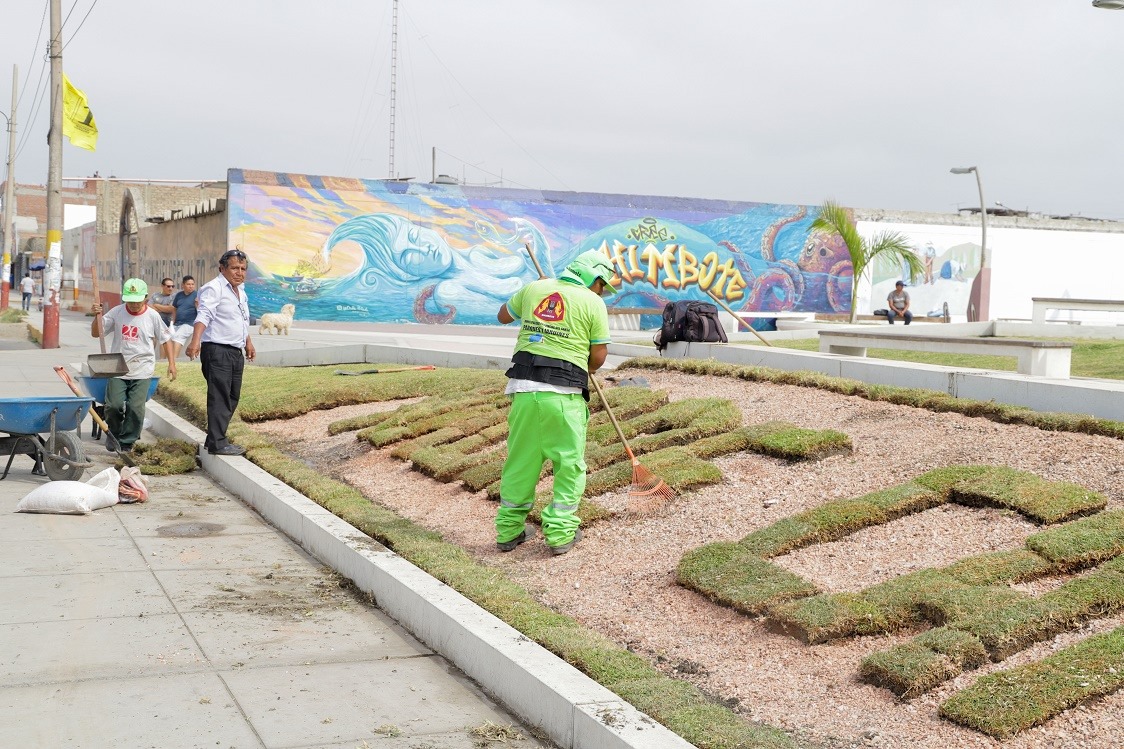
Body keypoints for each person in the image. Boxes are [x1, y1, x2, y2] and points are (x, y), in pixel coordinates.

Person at [494, 249, 615, 556]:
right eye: (603, 285)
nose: (604, 292)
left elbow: (503, 315)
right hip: (563, 396)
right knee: (569, 465)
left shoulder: (536, 289)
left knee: (520, 462)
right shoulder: (593, 302)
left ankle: (508, 531)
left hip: (523, 392)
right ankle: (560, 534)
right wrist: (584, 364)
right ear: (593, 278)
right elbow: (598, 356)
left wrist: (533, 295)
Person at [91, 278, 177, 451]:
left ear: (145, 298)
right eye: (130, 300)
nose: (134, 305)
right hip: (119, 367)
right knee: (113, 405)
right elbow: (96, 333)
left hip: (142, 367)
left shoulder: (152, 315)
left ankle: (127, 442)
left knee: (135, 408)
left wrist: (172, 364)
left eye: (138, 301)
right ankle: (113, 434)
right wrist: (96, 316)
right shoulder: (117, 312)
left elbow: (166, 340)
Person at [185, 249, 255, 456]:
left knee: (232, 396)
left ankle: (214, 438)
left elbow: (241, 319)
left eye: (243, 269)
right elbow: (204, 315)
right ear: (222, 268)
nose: (239, 272)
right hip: (216, 350)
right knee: (220, 397)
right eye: (234, 268)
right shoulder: (213, 288)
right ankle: (218, 442)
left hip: (235, 350)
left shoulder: (240, 291)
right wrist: (195, 340)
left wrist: (248, 342)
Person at [169, 275, 198, 359]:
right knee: (165, 337)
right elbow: (174, 309)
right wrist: (172, 323)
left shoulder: (197, 295)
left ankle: (174, 360)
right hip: (177, 324)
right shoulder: (179, 295)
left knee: (177, 336)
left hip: (189, 324)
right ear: (183, 285)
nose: (191, 286)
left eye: (192, 284)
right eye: (188, 284)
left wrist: (197, 305)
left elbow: (202, 312)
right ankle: (163, 360)